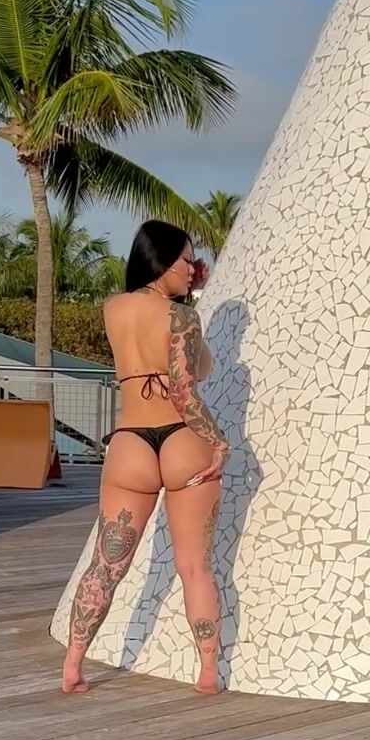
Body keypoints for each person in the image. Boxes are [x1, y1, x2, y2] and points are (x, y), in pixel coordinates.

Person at [60, 220, 229, 696]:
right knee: (194, 566)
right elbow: (186, 387)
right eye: (187, 261)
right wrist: (218, 442)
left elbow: (176, 360)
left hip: (130, 440)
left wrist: (187, 297)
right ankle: (208, 673)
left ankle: (72, 665)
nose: (193, 269)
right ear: (163, 261)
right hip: (182, 439)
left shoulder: (113, 307)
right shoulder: (181, 318)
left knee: (105, 565)